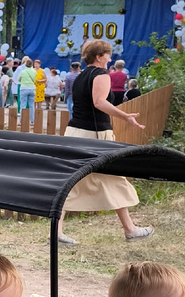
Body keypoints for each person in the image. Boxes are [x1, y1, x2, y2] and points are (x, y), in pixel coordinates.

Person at [56, 39, 152, 247]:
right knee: (113, 177)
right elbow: (99, 102)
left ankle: (57, 231)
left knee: (70, 181)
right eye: (108, 55)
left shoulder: (80, 75)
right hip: (95, 134)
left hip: (75, 131)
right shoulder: (101, 75)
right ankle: (130, 230)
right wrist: (125, 116)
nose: (110, 59)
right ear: (99, 57)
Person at [14, 56, 37, 123]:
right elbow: (35, 79)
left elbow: (18, 79)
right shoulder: (34, 71)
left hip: (24, 88)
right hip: (32, 89)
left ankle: (21, 120)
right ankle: (32, 120)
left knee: (23, 105)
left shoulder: (22, 71)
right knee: (31, 105)